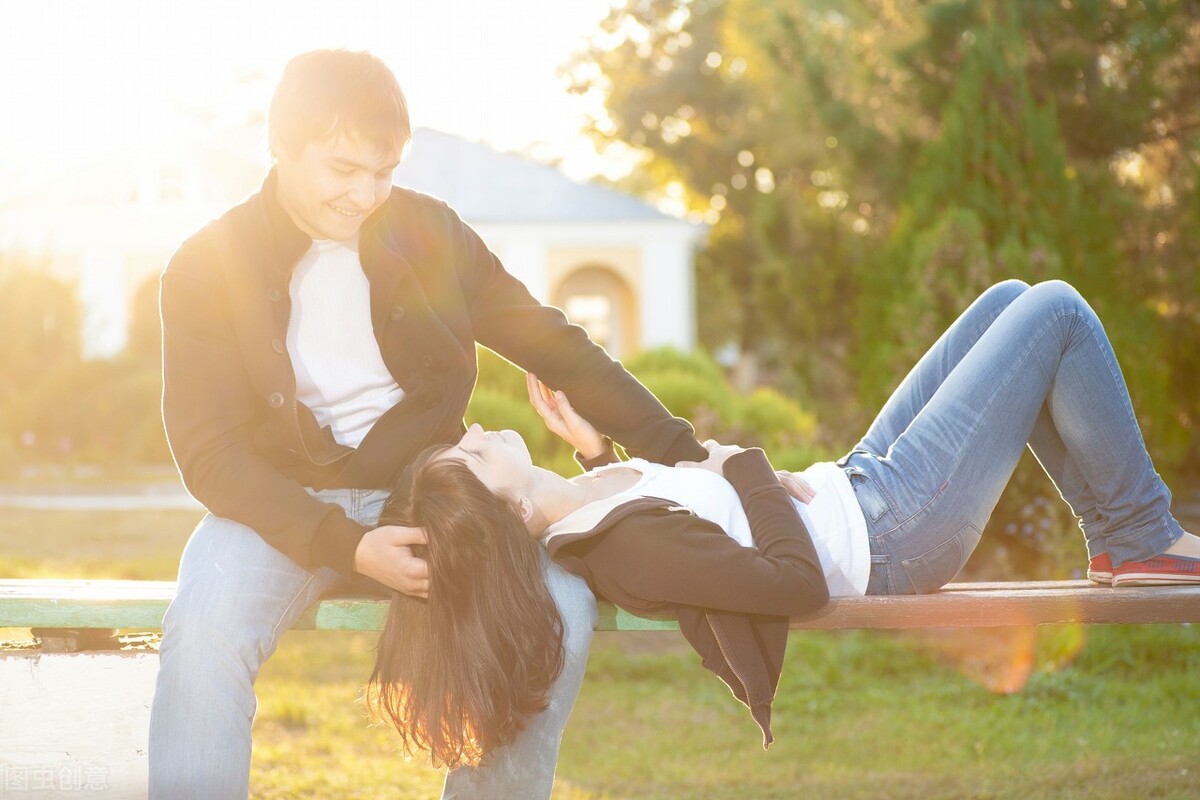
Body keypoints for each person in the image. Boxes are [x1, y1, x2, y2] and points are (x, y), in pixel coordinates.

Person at [150, 48, 728, 800]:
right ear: (281, 146)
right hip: (278, 507)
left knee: (557, 607)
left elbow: (557, 347)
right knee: (202, 632)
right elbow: (210, 455)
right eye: (342, 169)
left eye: (384, 171)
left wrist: (687, 457)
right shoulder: (204, 266)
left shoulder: (432, 234)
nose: (365, 195)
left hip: (434, 497)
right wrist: (347, 544)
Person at [368, 279, 1200, 762]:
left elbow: (661, 511)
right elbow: (796, 586)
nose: (475, 432)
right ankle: (1137, 535)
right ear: (513, 508)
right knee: (1056, 311)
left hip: (862, 484)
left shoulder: (584, 505)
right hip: (895, 533)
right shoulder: (622, 545)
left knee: (1008, 300)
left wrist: (593, 449)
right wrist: (745, 466)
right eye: (473, 456)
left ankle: (1120, 540)